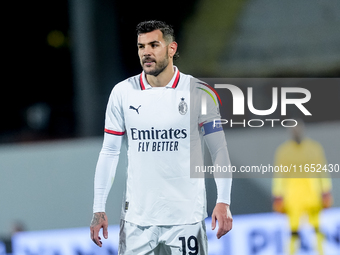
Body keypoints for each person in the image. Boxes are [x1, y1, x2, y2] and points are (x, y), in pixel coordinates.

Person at [90, 20, 233, 254]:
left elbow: (219, 150)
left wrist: (224, 200)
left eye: (154, 45)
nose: (146, 52)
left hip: (186, 218)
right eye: (141, 46)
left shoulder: (200, 92)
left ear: (171, 49)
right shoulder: (122, 93)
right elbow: (109, 152)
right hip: (137, 221)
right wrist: (98, 208)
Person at [272, 121, 333, 255]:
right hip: (293, 196)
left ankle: (321, 252)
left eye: (298, 129)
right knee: (294, 230)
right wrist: (277, 195)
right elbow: (280, 174)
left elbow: (322, 170)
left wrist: (326, 190)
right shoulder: (284, 151)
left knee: (316, 228)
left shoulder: (314, 148)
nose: (296, 132)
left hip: (312, 193)